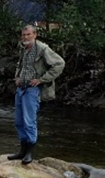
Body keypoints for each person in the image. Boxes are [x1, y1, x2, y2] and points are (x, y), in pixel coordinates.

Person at [8, 24, 65, 164]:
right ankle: (22, 151)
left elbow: (59, 63)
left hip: (33, 90)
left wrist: (42, 79)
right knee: (18, 121)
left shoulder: (43, 49)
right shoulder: (23, 49)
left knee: (29, 121)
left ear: (35, 35)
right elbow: (21, 65)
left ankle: (29, 153)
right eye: (23, 35)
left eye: (28, 34)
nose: (25, 37)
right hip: (21, 88)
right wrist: (18, 77)